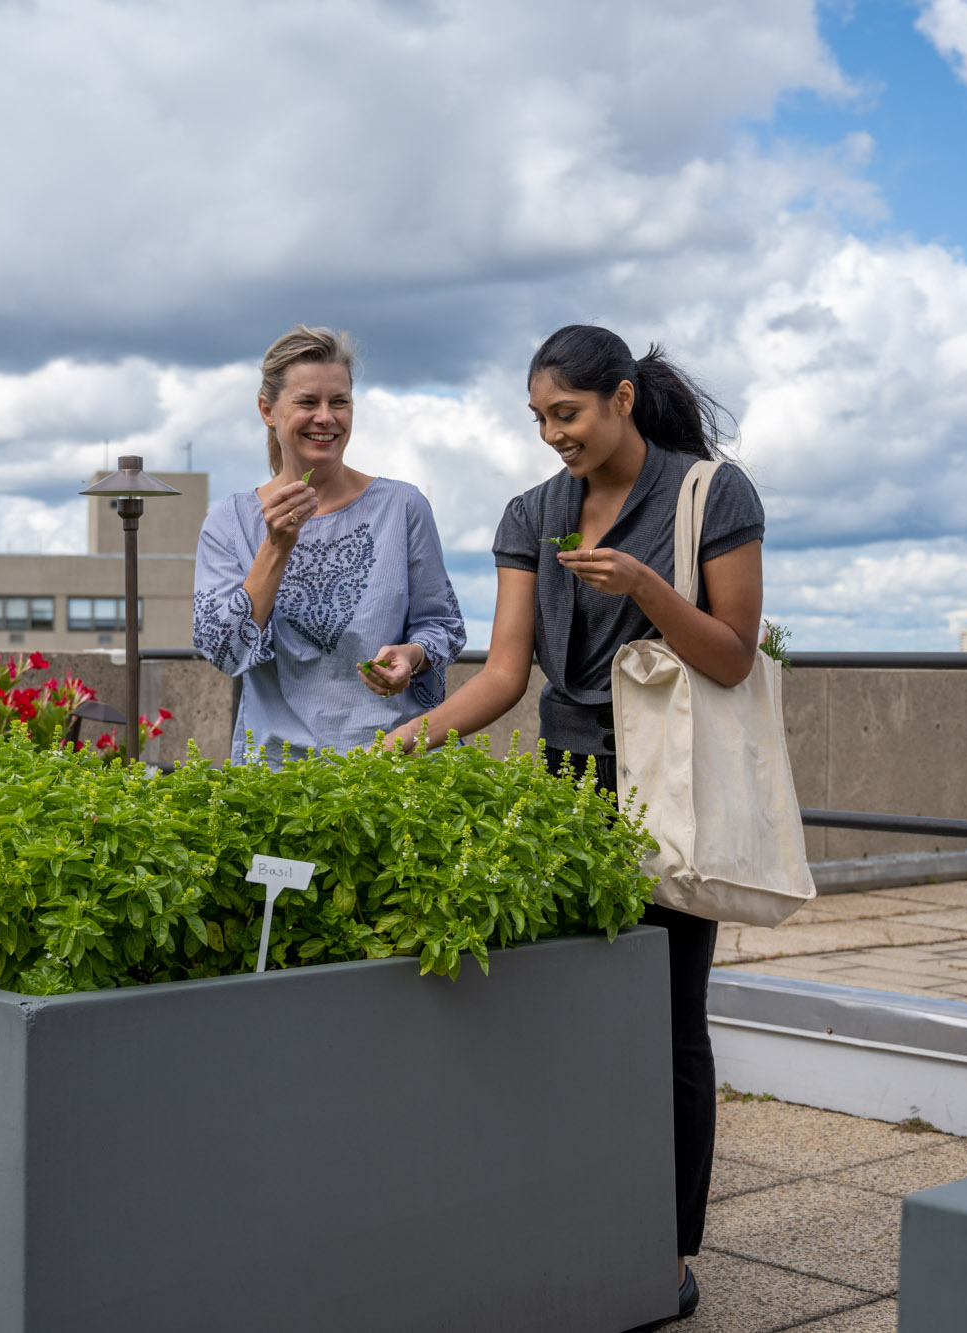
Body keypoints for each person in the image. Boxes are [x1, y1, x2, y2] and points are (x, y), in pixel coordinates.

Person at [385, 325, 766, 1327]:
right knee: (569, 1016)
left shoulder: (707, 494)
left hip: (668, 784)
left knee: (670, 1020)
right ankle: (577, 1218)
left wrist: (642, 586)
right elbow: (506, 675)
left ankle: (668, 1254)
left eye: (568, 413)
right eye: (540, 418)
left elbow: (729, 656)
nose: (553, 433)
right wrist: (400, 742)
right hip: (565, 789)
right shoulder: (531, 513)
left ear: (622, 399)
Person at [193, 325, 466, 764]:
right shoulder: (231, 523)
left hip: (397, 768)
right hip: (277, 782)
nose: (327, 417)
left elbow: (446, 628)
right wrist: (276, 547)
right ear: (267, 409)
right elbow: (224, 652)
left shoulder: (402, 507)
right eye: (307, 402)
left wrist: (412, 656)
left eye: (339, 402)